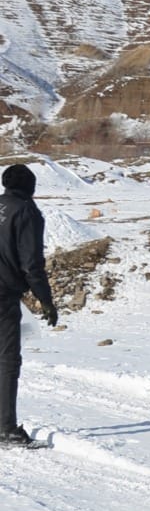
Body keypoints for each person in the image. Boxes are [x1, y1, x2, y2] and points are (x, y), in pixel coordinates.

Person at [0, 164, 58, 448]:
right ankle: (6, 430)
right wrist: (45, 300)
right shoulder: (26, 211)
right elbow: (31, 263)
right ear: (31, 188)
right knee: (7, 361)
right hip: (2, 296)